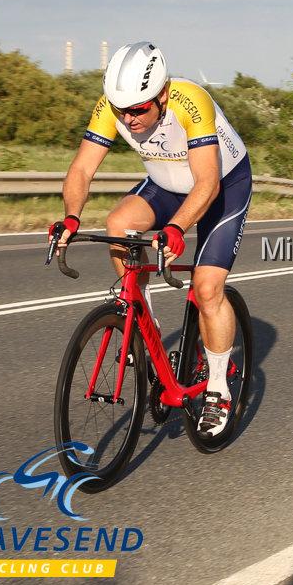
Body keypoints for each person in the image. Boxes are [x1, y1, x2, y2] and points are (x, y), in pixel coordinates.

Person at [49, 42, 252, 436]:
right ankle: (144, 326)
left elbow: (207, 182)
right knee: (118, 223)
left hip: (222, 187)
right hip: (165, 184)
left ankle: (216, 389)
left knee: (208, 288)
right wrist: (71, 215)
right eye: (121, 108)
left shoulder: (191, 101)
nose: (129, 117)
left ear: (161, 94)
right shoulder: (114, 108)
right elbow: (81, 170)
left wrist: (175, 228)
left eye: (139, 108)